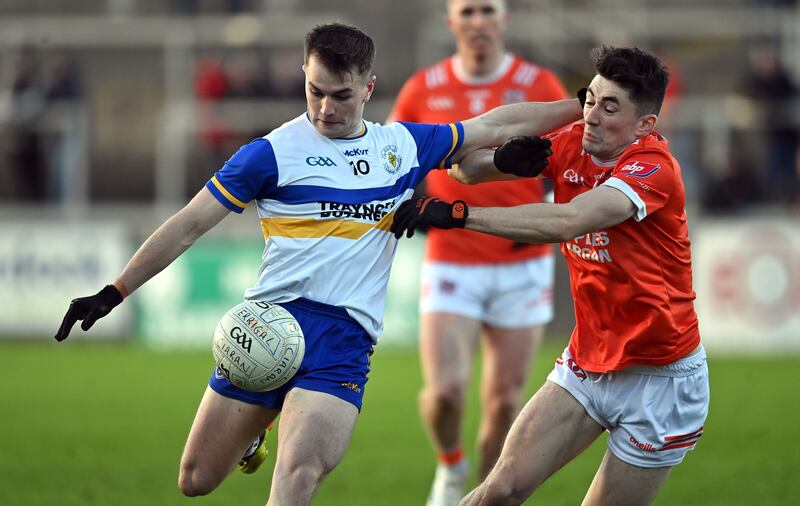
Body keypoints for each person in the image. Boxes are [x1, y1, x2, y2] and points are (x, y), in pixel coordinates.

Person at [54, 23, 581, 505]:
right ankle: (258, 423)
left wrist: (580, 106)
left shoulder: (400, 146)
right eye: (315, 91)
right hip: (265, 328)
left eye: (342, 95)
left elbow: (493, 124)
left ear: (369, 88)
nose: (325, 107)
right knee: (195, 480)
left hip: (342, 342)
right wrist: (115, 290)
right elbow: (190, 222)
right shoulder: (271, 153)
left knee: (298, 474)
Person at [391, 46, 709, 506]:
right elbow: (465, 169)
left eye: (610, 106)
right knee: (496, 492)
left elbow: (569, 221)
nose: (592, 116)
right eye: (591, 99)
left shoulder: (653, 169)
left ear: (644, 125)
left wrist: (456, 215)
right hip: (587, 365)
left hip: (660, 383)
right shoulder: (573, 141)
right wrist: (505, 160)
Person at [387, 2, 567, 504]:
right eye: (467, 10)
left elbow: (573, 155)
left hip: (521, 263)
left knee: (505, 402)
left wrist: (544, 213)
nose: (478, 20)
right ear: (451, 23)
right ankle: (449, 465)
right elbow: (390, 155)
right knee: (445, 392)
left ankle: (484, 497)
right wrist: (409, 202)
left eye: (488, 9)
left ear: (504, 19)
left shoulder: (540, 85)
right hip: (453, 258)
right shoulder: (424, 87)